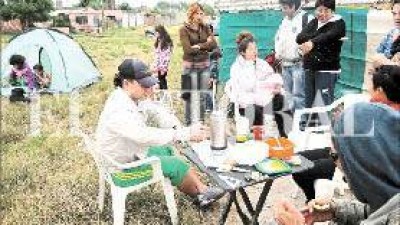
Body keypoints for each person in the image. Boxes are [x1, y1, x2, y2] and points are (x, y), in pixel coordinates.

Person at [273, 64, 400, 225]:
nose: (336, 163)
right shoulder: (391, 198)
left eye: (336, 156)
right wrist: (335, 210)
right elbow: (379, 210)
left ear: (367, 165)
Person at [96, 58, 224, 207]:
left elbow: (156, 112)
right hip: (120, 170)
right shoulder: (119, 109)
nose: (148, 89)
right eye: (144, 85)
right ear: (127, 83)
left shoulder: (129, 97)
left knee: (168, 150)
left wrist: (180, 129)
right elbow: (143, 135)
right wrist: (184, 134)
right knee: (175, 164)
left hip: (128, 153)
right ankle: (201, 194)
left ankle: (201, 189)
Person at [226, 31, 288, 136]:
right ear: (242, 52)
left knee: (281, 100)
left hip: (263, 99)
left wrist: (277, 86)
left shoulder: (261, 63)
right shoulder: (236, 68)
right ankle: (257, 139)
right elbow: (245, 88)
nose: (255, 51)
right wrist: (261, 85)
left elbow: (272, 77)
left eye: (256, 48)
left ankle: (284, 135)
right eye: (251, 49)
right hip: (245, 103)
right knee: (256, 110)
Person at [296, 0, 346, 109]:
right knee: (309, 103)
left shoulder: (338, 23)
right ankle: (309, 125)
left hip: (326, 70)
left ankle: (325, 126)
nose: (322, 13)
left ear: (332, 11)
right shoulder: (314, 22)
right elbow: (299, 38)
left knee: (323, 105)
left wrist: (312, 42)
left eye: (326, 11)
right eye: (319, 10)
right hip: (310, 67)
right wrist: (314, 40)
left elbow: (329, 36)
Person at [179, 2, 217, 125]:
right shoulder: (183, 29)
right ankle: (188, 123)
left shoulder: (206, 27)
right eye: (198, 13)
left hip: (204, 66)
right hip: (188, 67)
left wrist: (199, 46)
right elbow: (187, 50)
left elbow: (214, 45)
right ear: (192, 14)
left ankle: (199, 122)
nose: (201, 15)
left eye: (202, 13)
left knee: (201, 95)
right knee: (189, 96)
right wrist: (206, 44)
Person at [275, 0, 311, 112]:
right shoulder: (284, 21)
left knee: (299, 96)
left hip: (299, 64)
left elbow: (313, 41)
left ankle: (301, 124)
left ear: (294, 6)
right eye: (282, 7)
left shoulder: (306, 19)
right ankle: (291, 122)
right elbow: (278, 39)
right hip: (285, 65)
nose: (283, 10)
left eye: (285, 8)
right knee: (288, 96)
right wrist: (278, 53)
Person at [153, 25, 173, 90]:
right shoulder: (159, 40)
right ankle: (163, 95)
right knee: (159, 81)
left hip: (162, 66)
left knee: (162, 81)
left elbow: (166, 57)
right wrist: (155, 65)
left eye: (157, 32)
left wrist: (163, 68)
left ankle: (165, 95)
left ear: (160, 32)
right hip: (157, 65)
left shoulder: (166, 42)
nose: (155, 33)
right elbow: (157, 55)